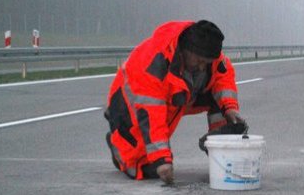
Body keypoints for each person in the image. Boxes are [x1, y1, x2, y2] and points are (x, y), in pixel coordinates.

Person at [104, 20, 245, 183]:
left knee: (220, 103)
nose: (201, 67)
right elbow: (152, 118)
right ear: (185, 51)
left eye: (206, 63)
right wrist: (162, 160)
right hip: (129, 105)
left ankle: (218, 147)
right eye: (199, 61)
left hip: (175, 96)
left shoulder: (207, 51)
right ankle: (117, 147)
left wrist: (230, 107)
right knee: (143, 169)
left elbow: (223, 75)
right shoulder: (153, 66)